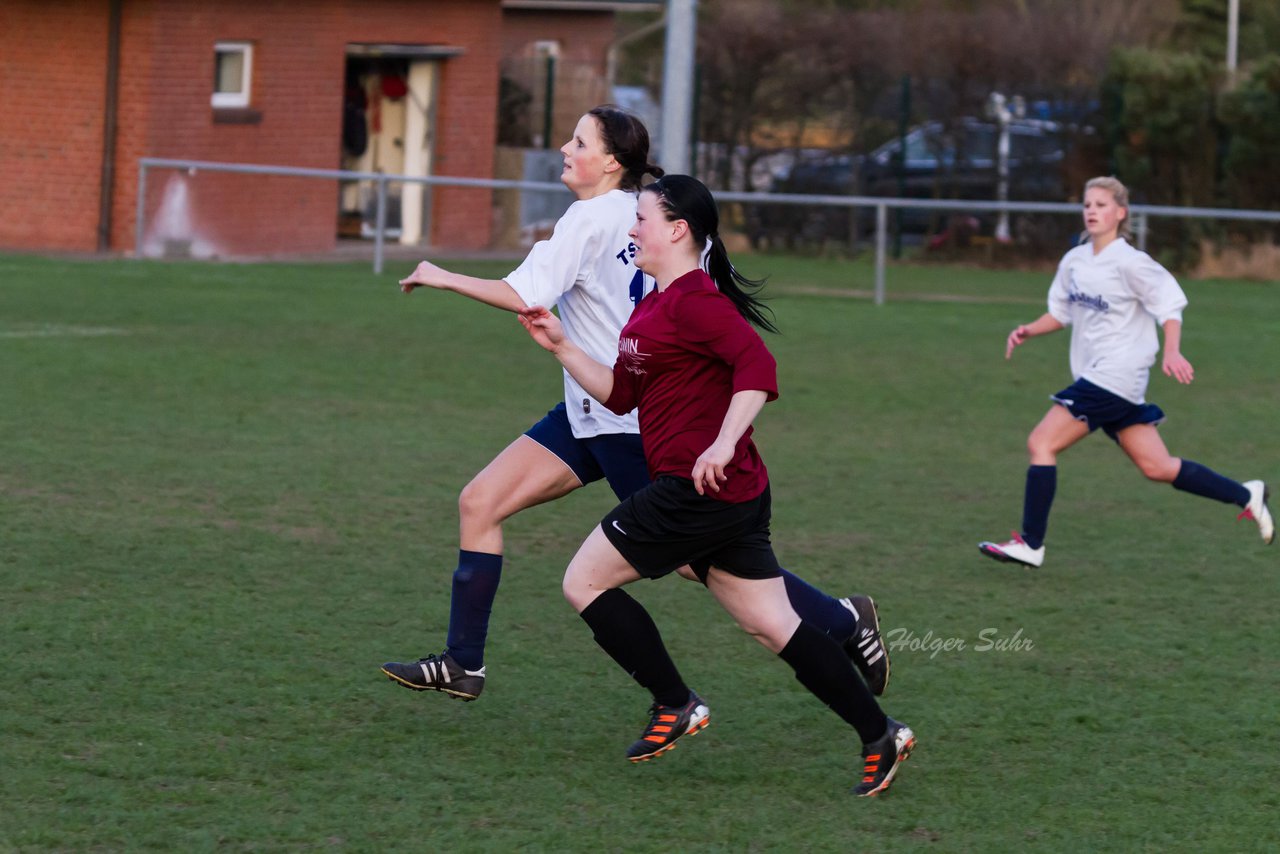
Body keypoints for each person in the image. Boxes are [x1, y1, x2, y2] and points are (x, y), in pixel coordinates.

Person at [380, 106, 889, 702]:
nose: (565, 150)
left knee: (700, 562)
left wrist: (442, 275)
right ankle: (464, 663)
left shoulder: (594, 216)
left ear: (611, 162)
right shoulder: (642, 212)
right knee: (481, 500)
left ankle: (840, 622)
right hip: (591, 409)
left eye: (578, 141)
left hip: (631, 418)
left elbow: (525, 293)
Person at [518, 174, 914, 797]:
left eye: (642, 219)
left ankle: (674, 703)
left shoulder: (697, 301)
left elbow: (759, 368)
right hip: (729, 495)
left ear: (677, 229)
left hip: (695, 492)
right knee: (771, 624)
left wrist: (723, 441)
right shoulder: (652, 304)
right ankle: (880, 732)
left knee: (582, 580)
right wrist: (563, 346)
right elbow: (623, 394)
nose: (632, 229)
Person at [979, 176, 1273, 568]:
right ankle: (1246, 494)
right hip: (1103, 376)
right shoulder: (1075, 261)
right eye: (1087, 204)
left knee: (1042, 443)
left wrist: (1172, 351)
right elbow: (1060, 313)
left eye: (1101, 205)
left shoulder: (1132, 263)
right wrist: (1028, 330)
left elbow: (1170, 307)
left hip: (1117, 373)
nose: (1092, 211)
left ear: (1121, 213)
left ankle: (1031, 544)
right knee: (1157, 467)